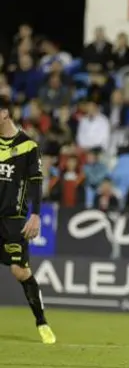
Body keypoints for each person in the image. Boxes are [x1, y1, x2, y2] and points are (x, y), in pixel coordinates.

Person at [0, 98, 56, 344]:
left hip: (13, 218)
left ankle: (42, 322)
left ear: (4, 114)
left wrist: (35, 215)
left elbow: (36, 182)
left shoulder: (27, 146)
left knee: (20, 271)